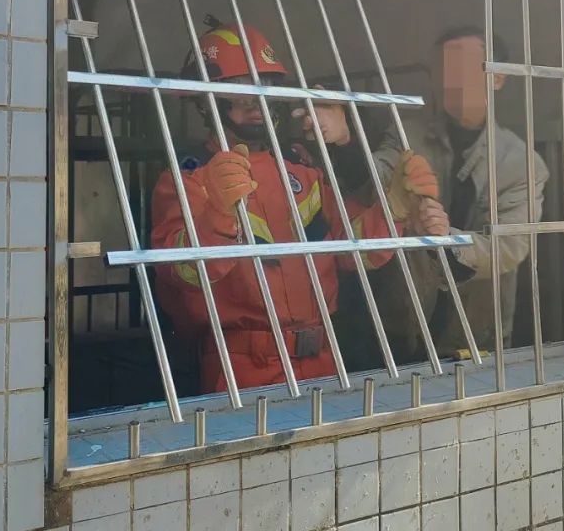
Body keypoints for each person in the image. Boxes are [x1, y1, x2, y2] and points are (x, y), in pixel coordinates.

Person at [149, 21, 449, 393]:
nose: (255, 102)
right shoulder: (187, 177)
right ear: (205, 101)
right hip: (241, 364)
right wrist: (218, 217)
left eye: (264, 86)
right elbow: (178, 273)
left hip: (323, 357)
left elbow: (350, 251)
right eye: (238, 90)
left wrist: (393, 211)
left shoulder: (303, 168)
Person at [309, 25, 549, 364]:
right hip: (400, 328)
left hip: (475, 336)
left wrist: (446, 240)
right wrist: (346, 139)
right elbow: (375, 183)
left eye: (462, 67)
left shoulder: (521, 163)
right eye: (442, 70)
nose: (450, 80)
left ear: (497, 78)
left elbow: (509, 247)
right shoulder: (407, 134)